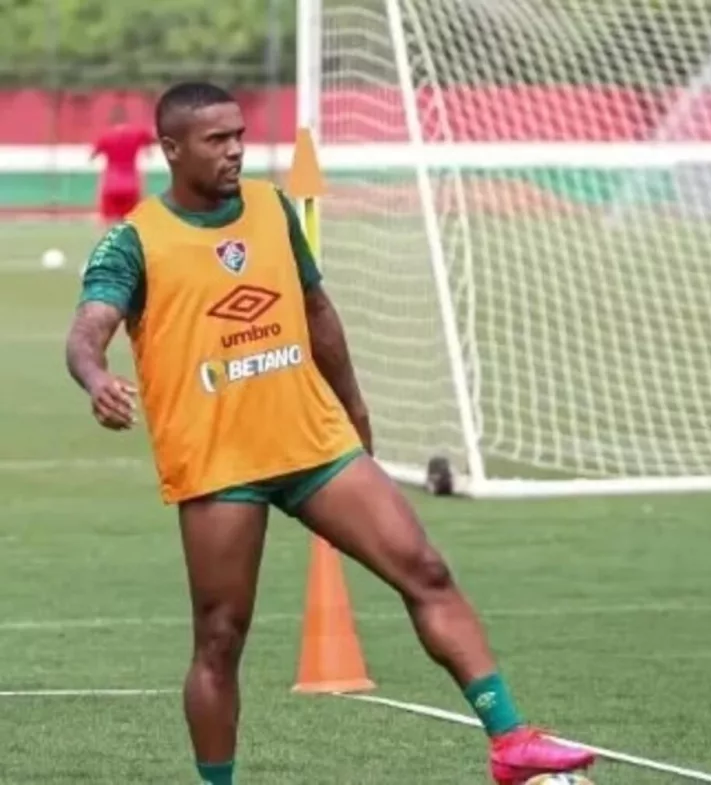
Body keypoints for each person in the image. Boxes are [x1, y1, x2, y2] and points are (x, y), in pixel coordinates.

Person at [65, 82, 594, 785]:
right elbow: (88, 330)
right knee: (220, 639)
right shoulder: (133, 240)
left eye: (238, 135)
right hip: (220, 462)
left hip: (314, 442)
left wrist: (356, 409)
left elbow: (317, 311)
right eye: (217, 139)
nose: (235, 150)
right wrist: (96, 377)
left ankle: (510, 739)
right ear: (172, 149)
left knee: (426, 569)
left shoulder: (272, 208)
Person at [90, 104, 156, 227]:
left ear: (111, 120)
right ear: (126, 118)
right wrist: (148, 150)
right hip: (131, 183)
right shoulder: (137, 132)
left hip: (111, 184)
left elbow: (92, 156)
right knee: (132, 221)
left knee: (109, 222)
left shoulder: (105, 136)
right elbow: (152, 139)